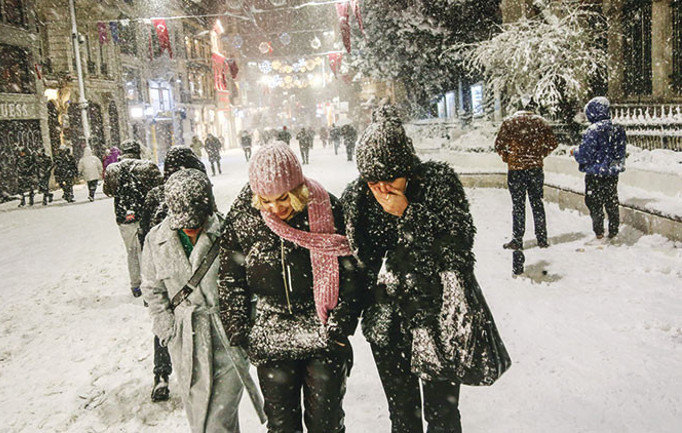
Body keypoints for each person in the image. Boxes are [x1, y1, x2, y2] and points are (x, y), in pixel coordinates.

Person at [342, 105, 511, 433]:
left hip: (436, 319)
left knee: (443, 417)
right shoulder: (357, 198)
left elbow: (458, 248)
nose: (382, 189)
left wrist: (409, 214)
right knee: (402, 416)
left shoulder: (437, 183)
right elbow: (357, 266)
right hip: (386, 325)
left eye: (391, 179)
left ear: (408, 168)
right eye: (372, 181)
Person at [218, 143, 360, 433]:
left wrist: (342, 323)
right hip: (272, 330)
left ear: (297, 189)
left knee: (326, 424)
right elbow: (230, 279)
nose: (274, 208)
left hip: (322, 326)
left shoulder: (327, 208)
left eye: (282, 198)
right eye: (265, 200)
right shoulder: (243, 216)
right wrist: (240, 332)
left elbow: (352, 271)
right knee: (282, 427)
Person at [142, 168, 246, 432]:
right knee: (200, 419)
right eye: (183, 224)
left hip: (227, 337)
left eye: (196, 222)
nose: (190, 229)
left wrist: (244, 327)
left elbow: (248, 284)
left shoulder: (228, 233)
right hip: (185, 341)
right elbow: (153, 289)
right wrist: (167, 329)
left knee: (216, 423)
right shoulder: (156, 240)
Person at [494, 96, 558, 249]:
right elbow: (552, 143)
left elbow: (499, 145)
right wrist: (539, 154)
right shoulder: (540, 122)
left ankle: (517, 239)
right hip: (535, 169)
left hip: (516, 170)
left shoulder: (510, 122)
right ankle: (542, 238)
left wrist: (509, 158)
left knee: (518, 205)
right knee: (537, 203)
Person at [103, 139, 162, 298]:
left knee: (131, 251)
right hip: (146, 214)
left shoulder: (113, 169)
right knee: (148, 249)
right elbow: (159, 188)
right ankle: (151, 283)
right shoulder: (148, 167)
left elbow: (108, 191)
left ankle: (135, 285)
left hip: (124, 215)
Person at [572, 96, 627, 240]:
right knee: (611, 200)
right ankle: (613, 229)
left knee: (594, 202)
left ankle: (599, 231)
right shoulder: (618, 129)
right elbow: (620, 152)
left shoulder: (593, 130)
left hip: (595, 173)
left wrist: (575, 152)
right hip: (611, 173)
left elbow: (585, 154)